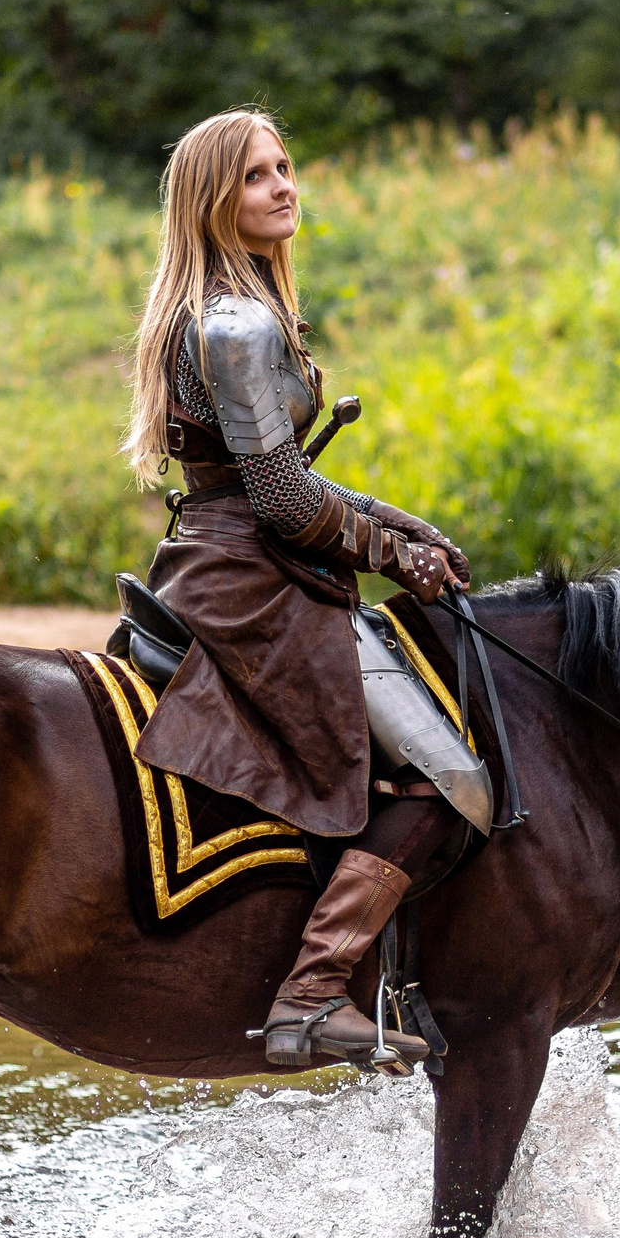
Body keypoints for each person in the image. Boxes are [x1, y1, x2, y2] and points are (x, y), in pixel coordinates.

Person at [120, 108, 477, 1071]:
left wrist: (404, 525)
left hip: (236, 554)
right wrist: (392, 556)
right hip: (252, 583)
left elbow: (276, 474)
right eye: (255, 177)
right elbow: (278, 498)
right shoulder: (233, 324)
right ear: (212, 202)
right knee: (455, 779)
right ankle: (314, 992)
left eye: (285, 167)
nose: (283, 186)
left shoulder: (237, 311)